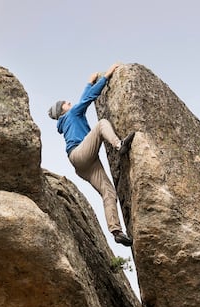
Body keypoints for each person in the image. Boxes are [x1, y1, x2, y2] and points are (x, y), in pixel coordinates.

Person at [48, 63, 135, 247]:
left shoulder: (69, 118)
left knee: (108, 192)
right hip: (81, 153)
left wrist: (89, 82)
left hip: (82, 164)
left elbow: (83, 98)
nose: (68, 102)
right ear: (62, 109)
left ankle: (116, 231)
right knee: (102, 123)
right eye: (65, 102)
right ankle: (119, 145)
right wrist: (105, 76)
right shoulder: (71, 114)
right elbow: (87, 98)